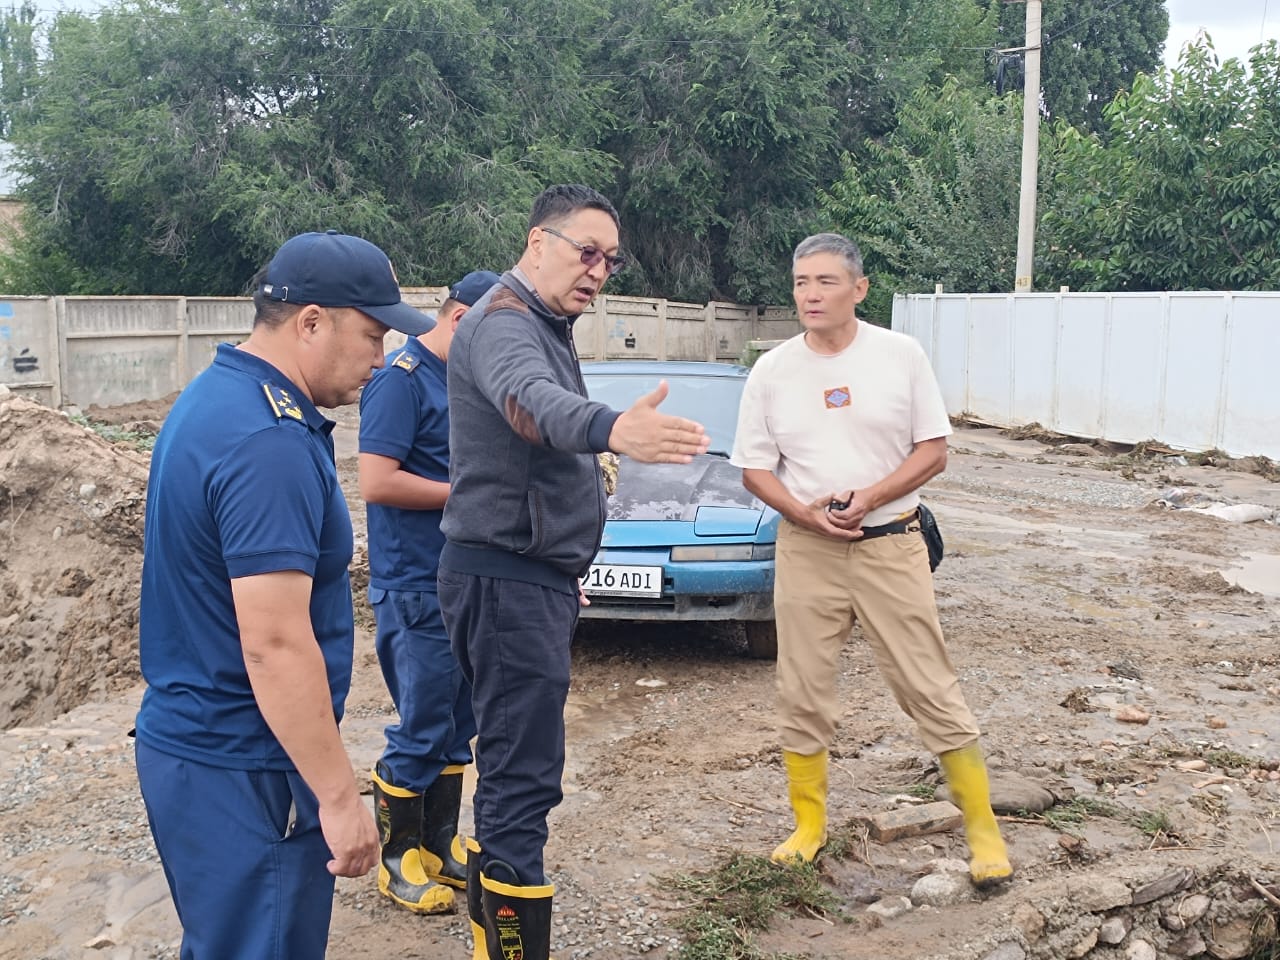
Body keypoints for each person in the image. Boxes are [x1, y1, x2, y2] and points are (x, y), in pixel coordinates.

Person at [134, 230, 437, 959]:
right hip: (248, 767)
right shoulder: (268, 442)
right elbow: (274, 643)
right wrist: (338, 797)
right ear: (311, 321)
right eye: (372, 335)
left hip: (204, 750)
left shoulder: (219, 396)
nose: (381, 358)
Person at [438, 184, 710, 960]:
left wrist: (561, 564)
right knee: (521, 778)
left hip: (524, 578)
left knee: (515, 767)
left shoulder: (540, 322)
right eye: (586, 252)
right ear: (538, 243)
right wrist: (614, 428)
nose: (598, 271)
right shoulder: (505, 322)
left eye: (610, 261)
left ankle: (493, 938)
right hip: (506, 580)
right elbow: (532, 406)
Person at [730, 232, 1012, 889]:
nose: (810, 294)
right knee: (801, 688)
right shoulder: (772, 370)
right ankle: (808, 827)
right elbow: (754, 469)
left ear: (859, 289)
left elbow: (933, 451)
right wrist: (804, 514)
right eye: (801, 282)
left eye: (825, 281)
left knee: (927, 684)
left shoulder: (899, 355)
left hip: (891, 543)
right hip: (807, 549)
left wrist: (871, 497)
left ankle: (983, 832)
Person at [358, 269, 500, 915]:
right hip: (416, 584)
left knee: (456, 724)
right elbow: (377, 481)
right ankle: (396, 860)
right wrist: (469, 496)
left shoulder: (462, 378)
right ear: (462, 319)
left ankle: (438, 845)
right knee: (422, 725)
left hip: (462, 576)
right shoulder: (401, 380)